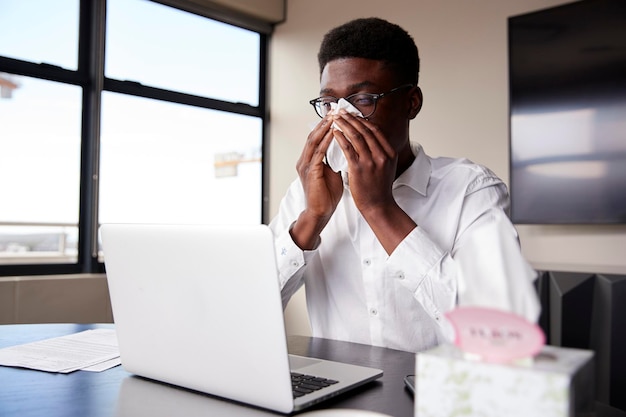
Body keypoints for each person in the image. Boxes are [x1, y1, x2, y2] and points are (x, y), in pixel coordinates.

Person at [269, 17, 540, 353]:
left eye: (363, 99)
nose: (341, 118)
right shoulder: (307, 193)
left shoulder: (471, 190)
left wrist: (380, 209)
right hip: (336, 396)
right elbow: (254, 310)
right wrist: (311, 218)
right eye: (329, 104)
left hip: (437, 394)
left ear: (412, 102)